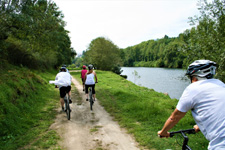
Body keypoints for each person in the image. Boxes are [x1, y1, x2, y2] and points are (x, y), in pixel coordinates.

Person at [157, 60, 225, 150]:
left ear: (196, 77)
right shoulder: (221, 85)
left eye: (191, 77)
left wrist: (163, 132)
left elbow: (174, 118)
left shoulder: (194, 88)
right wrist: (200, 126)